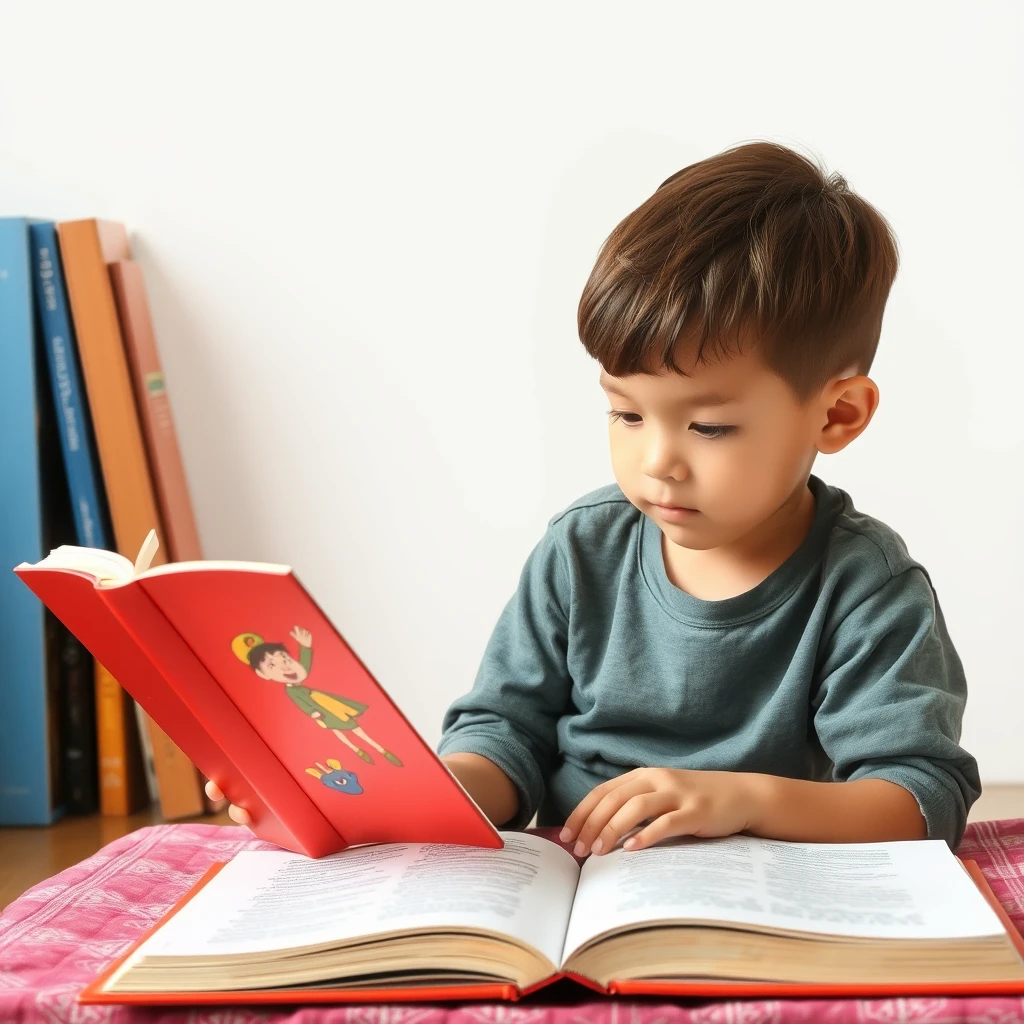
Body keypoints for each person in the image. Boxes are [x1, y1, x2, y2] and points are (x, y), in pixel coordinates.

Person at [208, 141, 980, 853]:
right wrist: (417, 797)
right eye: (626, 413)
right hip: (571, 888)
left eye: (709, 427)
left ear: (837, 414)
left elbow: (919, 796)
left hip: (762, 899)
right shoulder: (582, 549)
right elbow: (505, 731)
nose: (657, 462)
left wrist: (740, 799)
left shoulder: (864, 584)